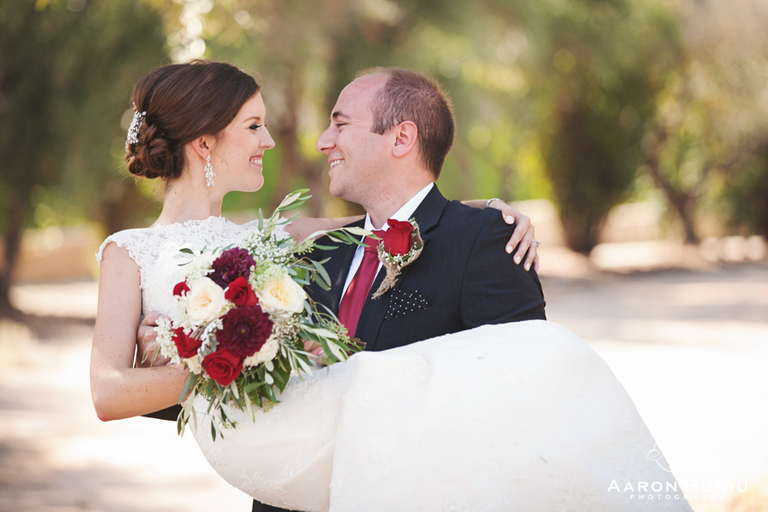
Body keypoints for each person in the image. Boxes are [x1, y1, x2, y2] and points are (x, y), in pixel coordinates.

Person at [128, 65, 691, 512]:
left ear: (401, 138)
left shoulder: (485, 243)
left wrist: (487, 218)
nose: (323, 141)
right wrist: (191, 350)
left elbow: (525, 407)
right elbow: (259, 380)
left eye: (340, 123)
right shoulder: (302, 253)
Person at [90, 61, 536, 423]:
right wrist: (224, 361)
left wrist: (493, 208)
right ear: (205, 142)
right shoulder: (128, 252)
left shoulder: (277, 238)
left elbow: (393, 217)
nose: (268, 140)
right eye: (253, 126)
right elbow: (109, 394)